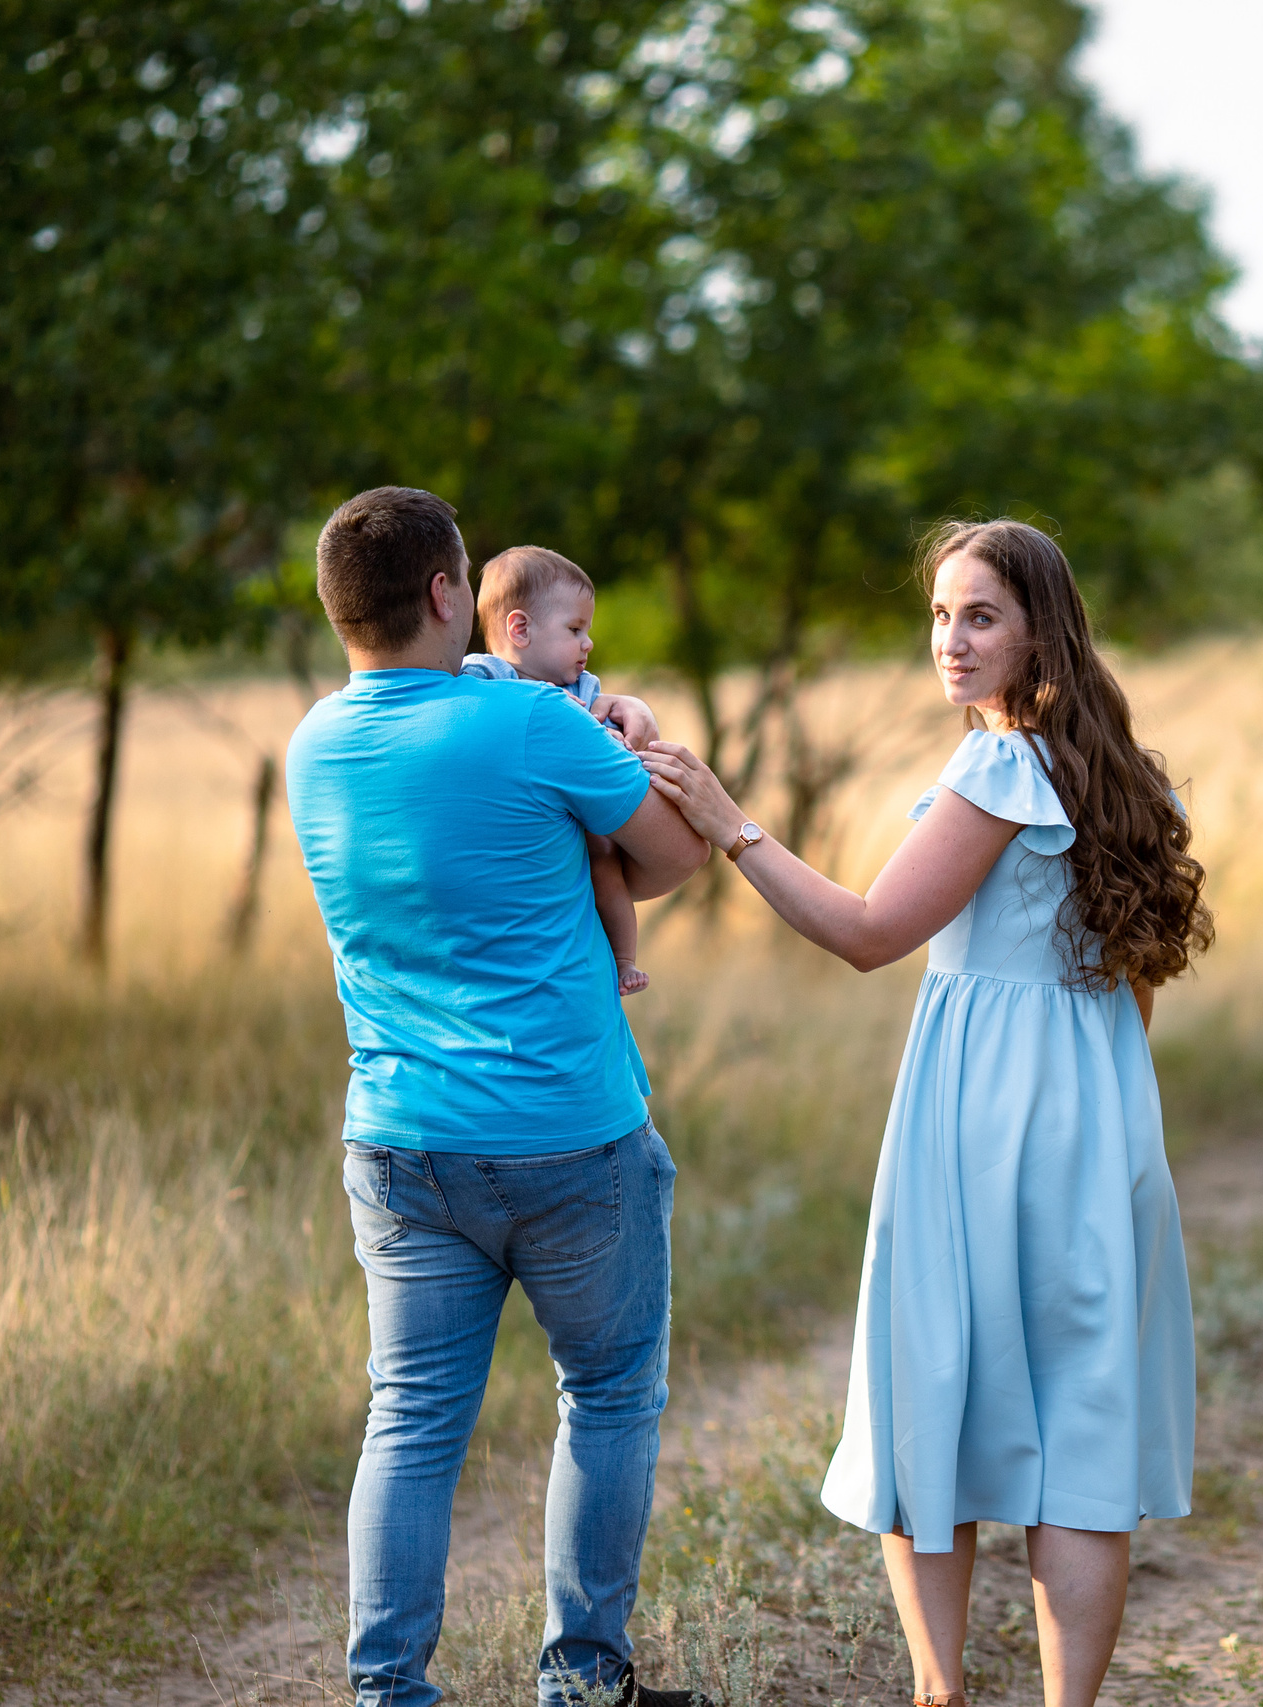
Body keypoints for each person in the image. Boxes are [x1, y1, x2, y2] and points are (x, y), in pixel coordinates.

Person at [640, 518, 1211, 1707]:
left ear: (1039, 631)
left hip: (979, 1126)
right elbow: (1134, 994)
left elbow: (865, 936)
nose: (950, 640)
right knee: (1081, 1430)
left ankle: (939, 1694)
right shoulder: (1118, 775)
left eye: (980, 616)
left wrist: (726, 821)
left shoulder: (998, 768)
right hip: (1101, 1128)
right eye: (941, 614)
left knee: (930, 1394)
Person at [284, 487, 711, 1707]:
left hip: (402, 1137)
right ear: (442, 596)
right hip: (569, 1130)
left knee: (411, 1423)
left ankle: (388, 1692)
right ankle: (581, 1684)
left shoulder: (315, 743)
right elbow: (679, 857)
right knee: (611, 1398)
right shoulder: (528, 727)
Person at [463, 544, 651, 995]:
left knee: (605, 860)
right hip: (519, 823)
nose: (588, 643)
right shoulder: (485, 675)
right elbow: (467, 710)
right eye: (574, 628)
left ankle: (624, 961)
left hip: (582, 815)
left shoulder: (583, 687)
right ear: (520, 628)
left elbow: (610, 741)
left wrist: (624, 725)